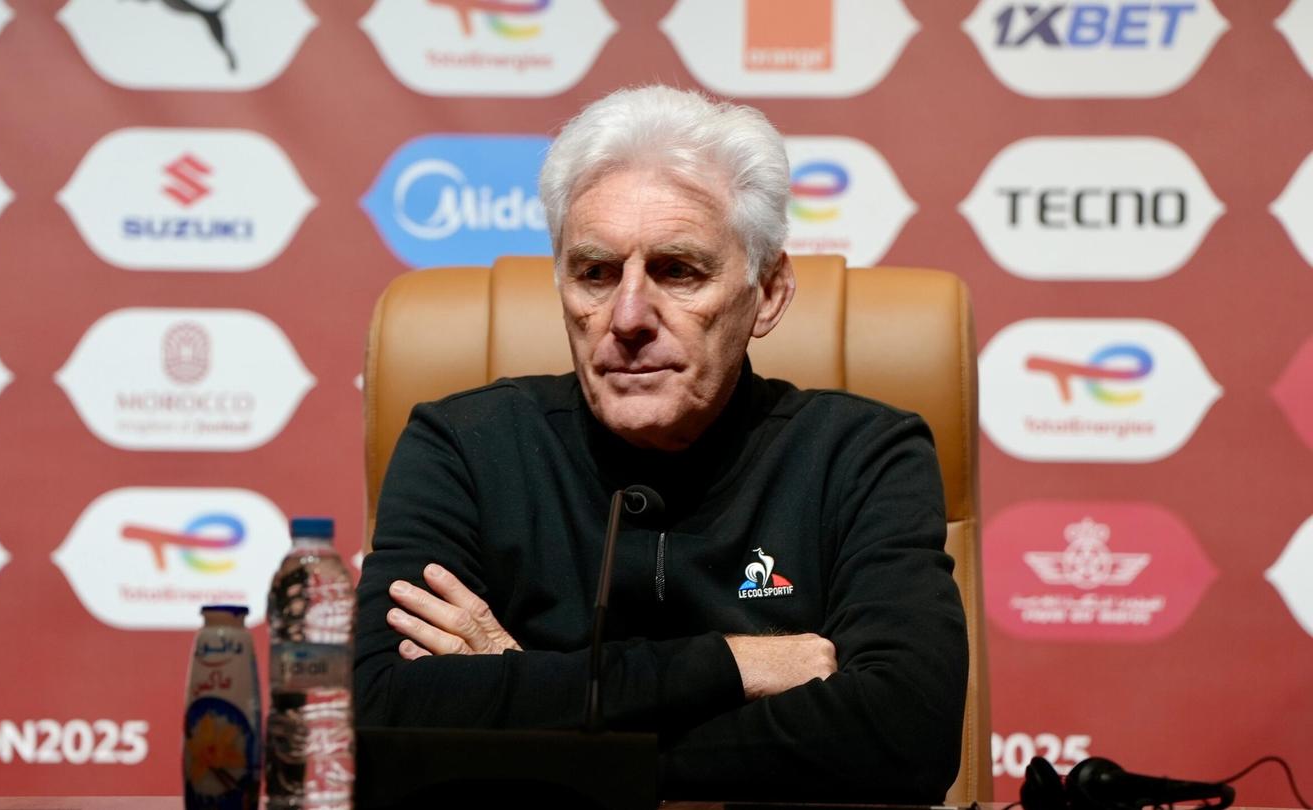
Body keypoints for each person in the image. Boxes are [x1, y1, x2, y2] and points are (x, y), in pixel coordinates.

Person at [353, 85, 968, 803]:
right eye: (595, 273)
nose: (629, 317)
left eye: (678, 271)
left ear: (769, 293)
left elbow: (905, 734)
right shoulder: (463, 446)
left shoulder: (862, 455)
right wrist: (734, 666)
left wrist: (528, 717)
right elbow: (375, 717)